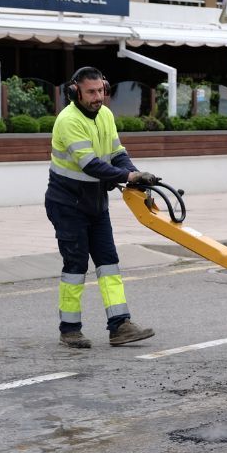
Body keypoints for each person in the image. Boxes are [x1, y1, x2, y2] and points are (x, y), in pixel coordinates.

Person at [46, 67, 157, 348]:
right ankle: (69, 329)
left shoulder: (106, 115)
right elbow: (91, 165)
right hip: (67, 204)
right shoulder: (68, 121)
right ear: (75, 92)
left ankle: (120, 326)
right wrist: (127, 177)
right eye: (91, 92)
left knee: (109, 263)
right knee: (75, 265)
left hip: (95, 203)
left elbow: (117, 153)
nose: (98, 97)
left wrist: (135, 174)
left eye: (101, 91)